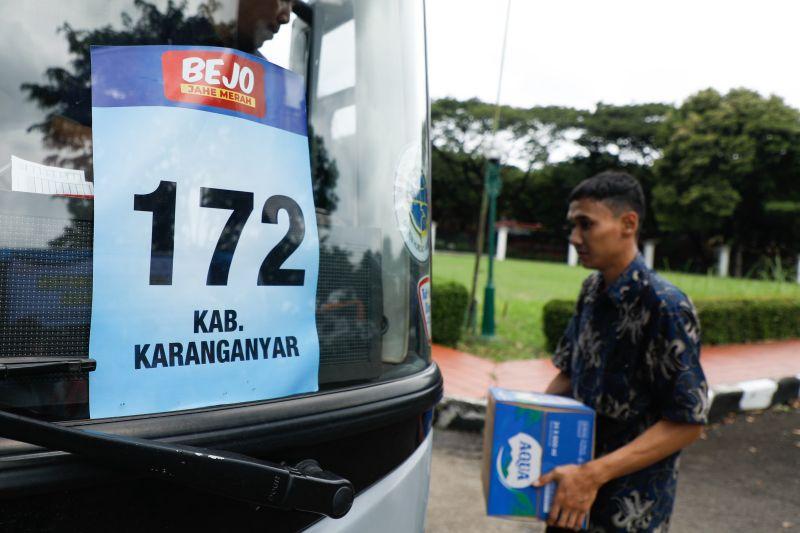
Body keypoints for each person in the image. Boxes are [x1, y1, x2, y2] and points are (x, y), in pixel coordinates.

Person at [534, 171, 709, 532]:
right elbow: (568, 375)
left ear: (628, 224)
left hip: (627, 511)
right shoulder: (592, 290)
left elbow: (687, 423)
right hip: (569, 493)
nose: (574, 237)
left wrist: (593, 475)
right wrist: (524, 425)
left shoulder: (665, 306)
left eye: (586, 224)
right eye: (573, 225)